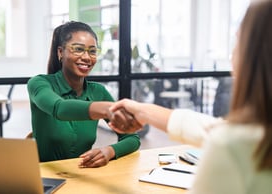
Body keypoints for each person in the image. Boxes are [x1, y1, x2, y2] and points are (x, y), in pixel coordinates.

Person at [109, 0, 272, 193]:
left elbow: (225, 136)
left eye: (238, 39)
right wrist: (142, 111)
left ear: (255, 54)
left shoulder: (231, 147)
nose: (233, 52)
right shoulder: (250, 136)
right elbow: (214, 129)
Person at [27, 21, 141, 167]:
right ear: (60, 52)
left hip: (82, 174)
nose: (87, 57)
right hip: (45, 178)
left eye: (92, 51)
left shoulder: (98, 92)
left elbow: (132, 138)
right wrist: (107, 109)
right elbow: (60, 108)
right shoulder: (39, 83)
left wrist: (110, 151)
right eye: (78, 49)